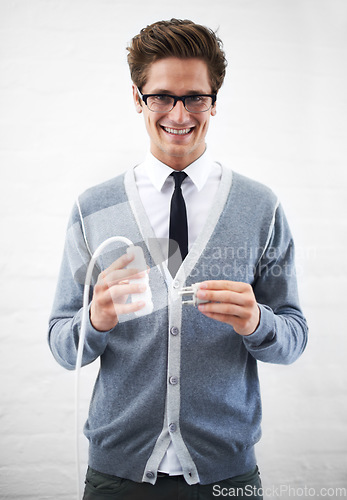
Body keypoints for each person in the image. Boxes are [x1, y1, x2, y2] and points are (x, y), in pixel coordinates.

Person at [48, 19, 308, 500]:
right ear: (137, 97)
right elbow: (63, 346)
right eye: (162, 96)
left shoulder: (260, 207)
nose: (180, 113)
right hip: (116, 475)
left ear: (214, 101)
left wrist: (256, 322)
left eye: (195, 97)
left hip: (227, 476)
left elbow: (293, 338)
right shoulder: (94, 208)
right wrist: (97, 319)